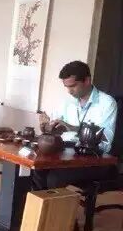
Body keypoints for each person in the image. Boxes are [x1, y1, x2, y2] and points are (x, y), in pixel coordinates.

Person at [33, 61, 118, 189]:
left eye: (72, 86)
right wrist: (48, 127)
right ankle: (39, 202)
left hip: (94, 158)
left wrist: (72, 128)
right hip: (66, 152)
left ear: (87, 80)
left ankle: (52, 202)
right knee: (37, 168)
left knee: (54, 178)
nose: (69, 91)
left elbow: (106, 141)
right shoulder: (67, 101)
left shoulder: (107, 103)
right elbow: (55, 125)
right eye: (66, 87)